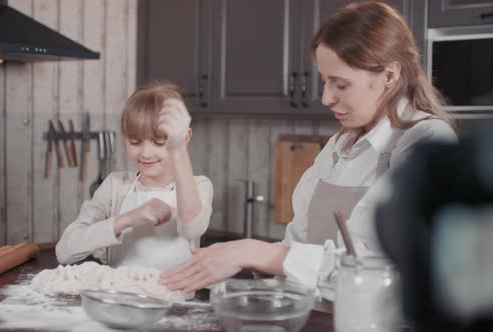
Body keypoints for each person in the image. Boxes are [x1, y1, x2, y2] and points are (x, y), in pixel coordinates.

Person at [159, 0, 457, 301]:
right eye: (325, 81)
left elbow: (377, 270)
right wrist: (240, 258)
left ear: (390, 76)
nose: (326, 97)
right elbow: (296, 246)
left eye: (340, 84)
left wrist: (252, 251)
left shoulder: (426, 141)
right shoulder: (339, 146)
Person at [56, 82, 213, 271]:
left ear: (185, 138)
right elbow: (65, 252)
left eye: (159, 142)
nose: (146, 153)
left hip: (175, 298)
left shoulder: (198, 185)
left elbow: (192, 228)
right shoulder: (115, 185)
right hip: (120, 296)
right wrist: (129, 218)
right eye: (135, 142)